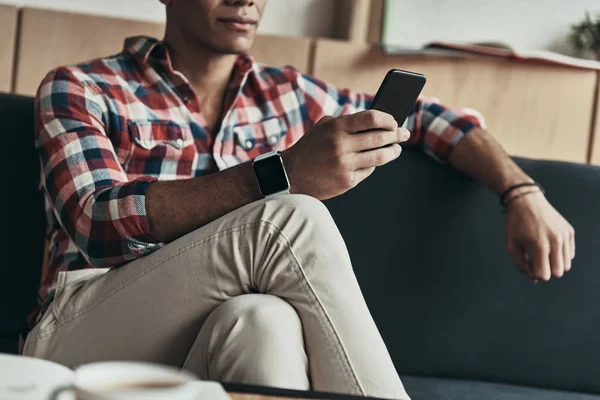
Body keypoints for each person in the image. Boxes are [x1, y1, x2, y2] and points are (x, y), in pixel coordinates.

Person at [22, 0, 575, 398]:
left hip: (205, 343)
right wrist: (281, 173)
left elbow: (433, 118)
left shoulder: (286, 95)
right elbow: (96, 220)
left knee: (263, 321)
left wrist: (520, 191)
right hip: (80, 331)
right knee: (289, 214)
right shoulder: (81, 87)